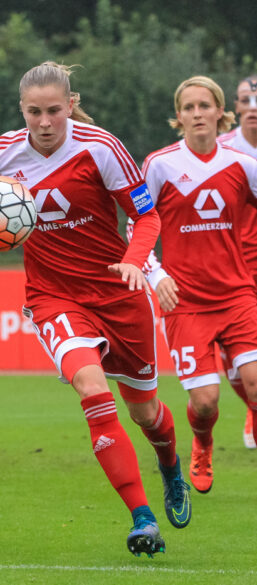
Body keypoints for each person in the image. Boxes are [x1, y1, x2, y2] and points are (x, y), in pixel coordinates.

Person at [0, 61, 191, 558]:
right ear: (22, 110)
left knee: (146, 412)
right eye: (34, 112)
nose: (44, 122)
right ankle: (141, 517)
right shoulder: (0, 152)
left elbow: (146, 215)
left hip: (118, 295)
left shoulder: (100, 148)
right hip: (53, 297)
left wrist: (132, 262)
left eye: (54, 111)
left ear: (71, 105)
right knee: (91, 387)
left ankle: (170, 465)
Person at [140, 75, 257, 495]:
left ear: (220, 113)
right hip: (185, 302)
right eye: (188, 107)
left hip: (238, 295)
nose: (196, 114)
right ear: (178, 117)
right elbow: (137, 227)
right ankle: (203, 443)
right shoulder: (159, 165)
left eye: (204, 106)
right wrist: (157, 275)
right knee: (206, 401)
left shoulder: (243, 165)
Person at [217, 75, 257, 449]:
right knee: (236, 358)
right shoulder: (220, 148)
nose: (254, 106)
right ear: (236, 107)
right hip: (233, 266)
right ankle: (252, 406)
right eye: (247, 98)